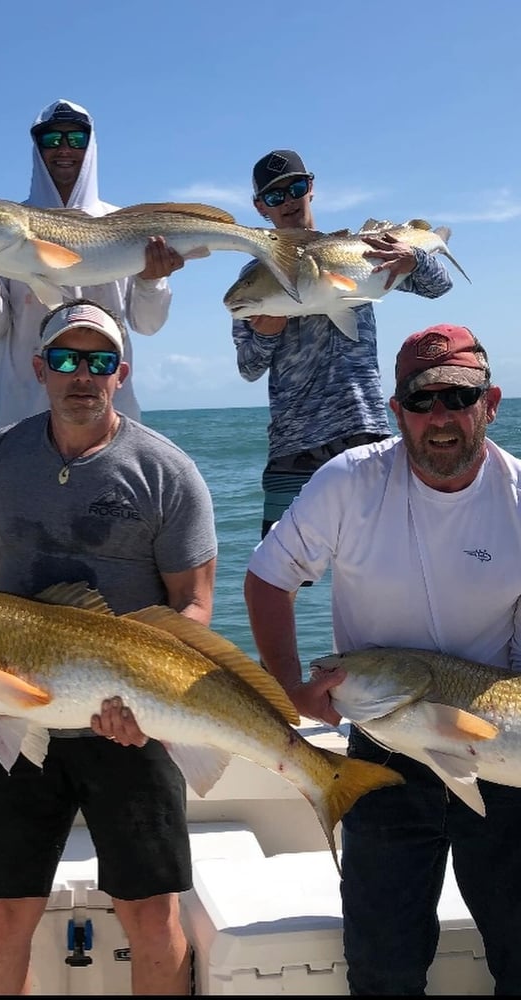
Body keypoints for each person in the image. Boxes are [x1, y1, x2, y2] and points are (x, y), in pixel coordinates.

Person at [0, 298, 216, 994]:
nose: (82, 374)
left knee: (148, 913)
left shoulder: (166, 472)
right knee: (1, 912)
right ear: (38, 368)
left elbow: (193, 608)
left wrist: (148, 704)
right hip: (13, 704)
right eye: (65, 358)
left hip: (130, 721)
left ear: (122, 372)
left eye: (99, 361)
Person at [243, 324, 521, 994]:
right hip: (383, 754)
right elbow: (268, 577)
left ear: (492, 403)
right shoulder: (349, 483)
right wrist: (287, 688)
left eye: (460, 397)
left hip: (504, 754)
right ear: (395, 412)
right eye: (421, 401)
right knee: (384, 962)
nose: (441, 418)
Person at [0, 97, 185, 754]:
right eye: (51, 135)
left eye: (75, 134)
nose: (63, 146)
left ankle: (137, 697)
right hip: (17, 415)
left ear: (91, 142)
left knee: (115, 565)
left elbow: (149, 324)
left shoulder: (124, 224)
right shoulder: (4, 225)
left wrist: (156, 280)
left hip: (105, 422)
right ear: (36, 143)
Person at [231, 148, 454, 541]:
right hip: (293, 443)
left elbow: (439, 287)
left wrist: (414, 259)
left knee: (382, 566)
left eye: (295, 187)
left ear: (311, 188)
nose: (287, 202)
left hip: (364, 429)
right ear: (259, 207)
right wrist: (267, 331)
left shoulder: (362, 249)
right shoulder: (254, 278)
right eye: (273, 196)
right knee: (277, 571)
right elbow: (248, 367)